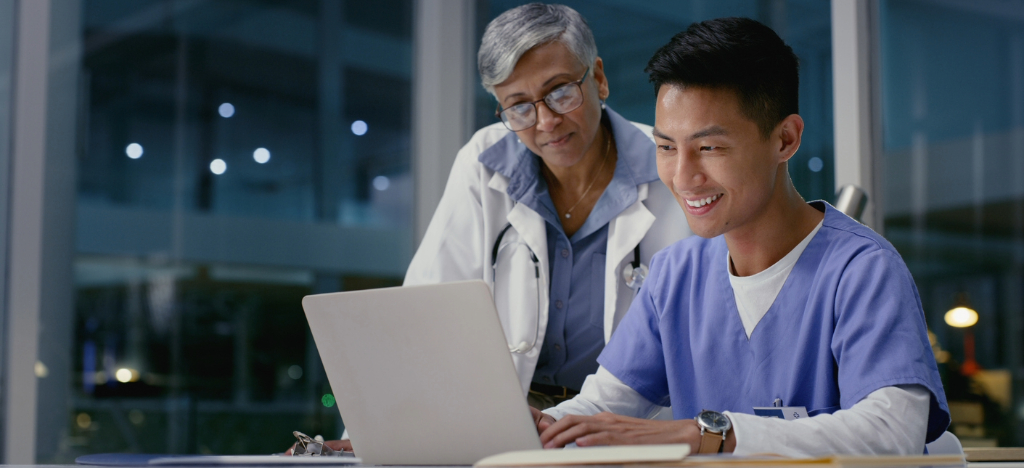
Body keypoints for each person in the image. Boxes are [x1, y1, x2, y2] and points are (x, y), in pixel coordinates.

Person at [530, 17, 951, 457]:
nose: (683, 177)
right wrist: (536, 424)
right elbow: (599, 407)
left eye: (709, 148)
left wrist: (711, 435)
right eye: (667, 147)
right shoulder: (676, 275)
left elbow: (892, 432)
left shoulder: (862, 270)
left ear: (785, 139)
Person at [287, 3, 691, 455]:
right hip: (513, 424)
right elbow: (423, 317)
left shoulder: (673, 164)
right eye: (518, 107)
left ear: (597, 78)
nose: (546, 122)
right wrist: (364, 442)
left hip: (627, 427)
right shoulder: (485, 162)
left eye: (560, 92)